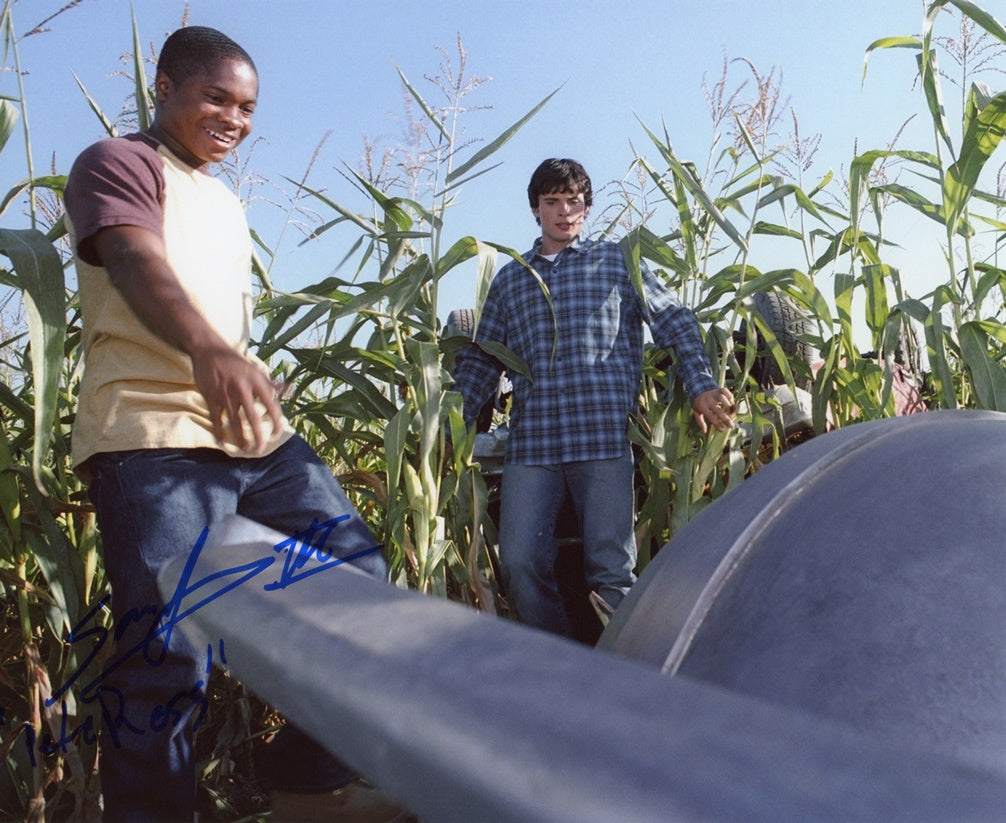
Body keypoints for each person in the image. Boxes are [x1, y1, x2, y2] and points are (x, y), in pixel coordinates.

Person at [63, 26, 402, 823]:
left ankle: (306, 778)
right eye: (216, 98)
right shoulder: (117, 163)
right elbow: (137, 262)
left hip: (253, 438)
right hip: (151, 438)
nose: (235, 120)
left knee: (357, 576)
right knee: (168, 651)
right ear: (164, 86)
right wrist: (212, 352)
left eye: (247, 107)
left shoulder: (223, 199)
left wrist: (241, 366)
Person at [452, 158, 734, 638]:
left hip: (601, 438)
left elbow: (675, 320)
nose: (565, 212)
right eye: (552, 202)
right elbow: (483, 361)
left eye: (574, 202)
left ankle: (619, 667)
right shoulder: (511, 280)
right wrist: (451, 423)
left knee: (611, 572)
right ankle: (561, 660)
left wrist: (702, 384)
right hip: (534, 446)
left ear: (586, 208)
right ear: (535, 209)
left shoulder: (619, 262)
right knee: (519, 563)